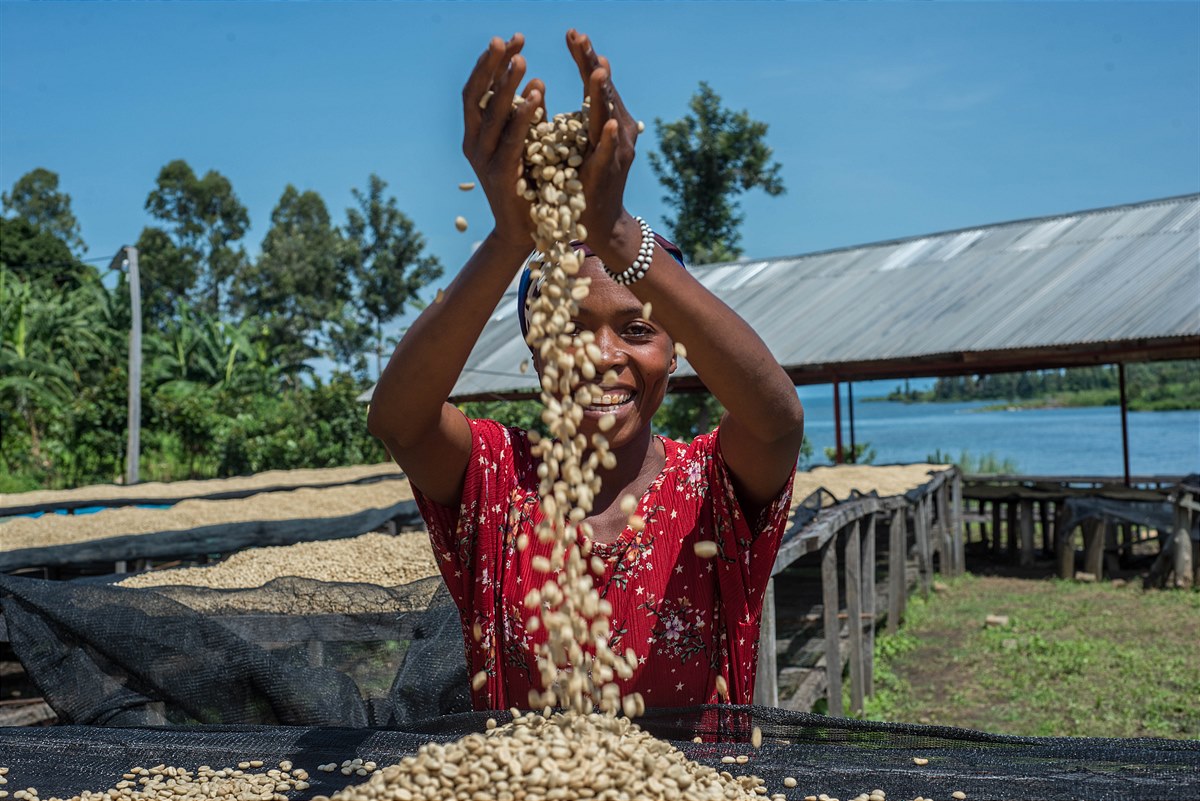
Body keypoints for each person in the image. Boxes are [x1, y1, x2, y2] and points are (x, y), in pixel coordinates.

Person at [367, 30, 804, 711]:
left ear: (676, 346)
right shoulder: (497, 479)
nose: (601, 356)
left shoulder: (712, 485)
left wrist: (619, 232)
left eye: (637, 328)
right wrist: (513, 237)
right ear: (536, 349)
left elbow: (777, 420)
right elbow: (398, 420)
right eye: (569, 327)